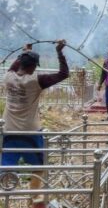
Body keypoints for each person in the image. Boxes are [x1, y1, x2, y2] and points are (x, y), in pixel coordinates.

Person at [2, 40, 68, 196]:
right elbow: (63, 74)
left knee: (5, 167)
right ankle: (34, 198)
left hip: (8, 129)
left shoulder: (8, 76)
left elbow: (15, 65)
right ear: (32, 67)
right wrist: (59, 52)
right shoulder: (36, 80)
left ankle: (5, 199)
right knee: (39, 166)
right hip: (30, 131)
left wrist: (25, 52)